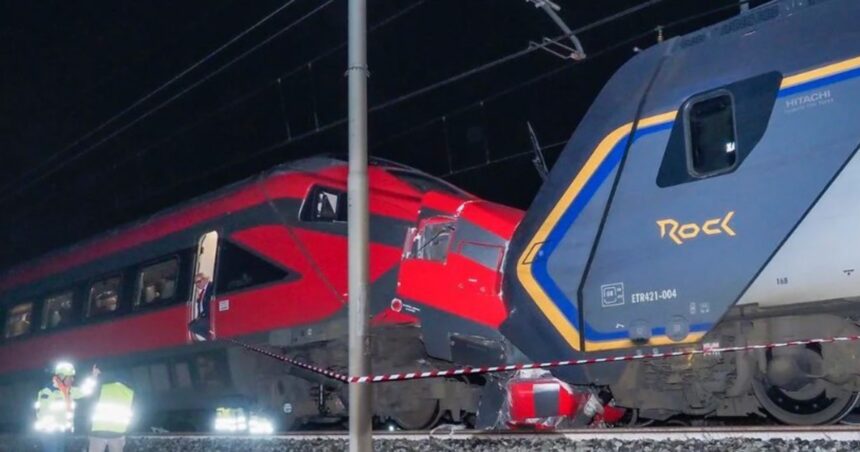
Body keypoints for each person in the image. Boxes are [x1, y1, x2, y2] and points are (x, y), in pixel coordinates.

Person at [34, 362, 99, 452]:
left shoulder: (68, 391)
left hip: (61, 432)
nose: (72, 380)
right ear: (61, 377)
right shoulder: (48, 392)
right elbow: (43, 414)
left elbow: (84, 391)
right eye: (70, 377)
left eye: (72, 377)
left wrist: (93, 377)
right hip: (50, 434)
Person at [88, 378, 134, 452]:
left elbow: (89, 407)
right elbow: (132, 416)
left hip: (98, 431)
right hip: (117, 433)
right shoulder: (130, 392)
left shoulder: (103, 388)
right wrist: (125, 433)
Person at [188, 272, 213, 339]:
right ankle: (210, 338)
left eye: (198, 281)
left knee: (196, 325)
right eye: (195, 283)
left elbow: (209, 303)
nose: (197, 284)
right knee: (191, 326)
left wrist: (203, 315)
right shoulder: (202, 292)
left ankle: (211, 338)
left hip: (209, 316)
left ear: (205, 279)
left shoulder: (211, 287)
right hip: (203, 316)